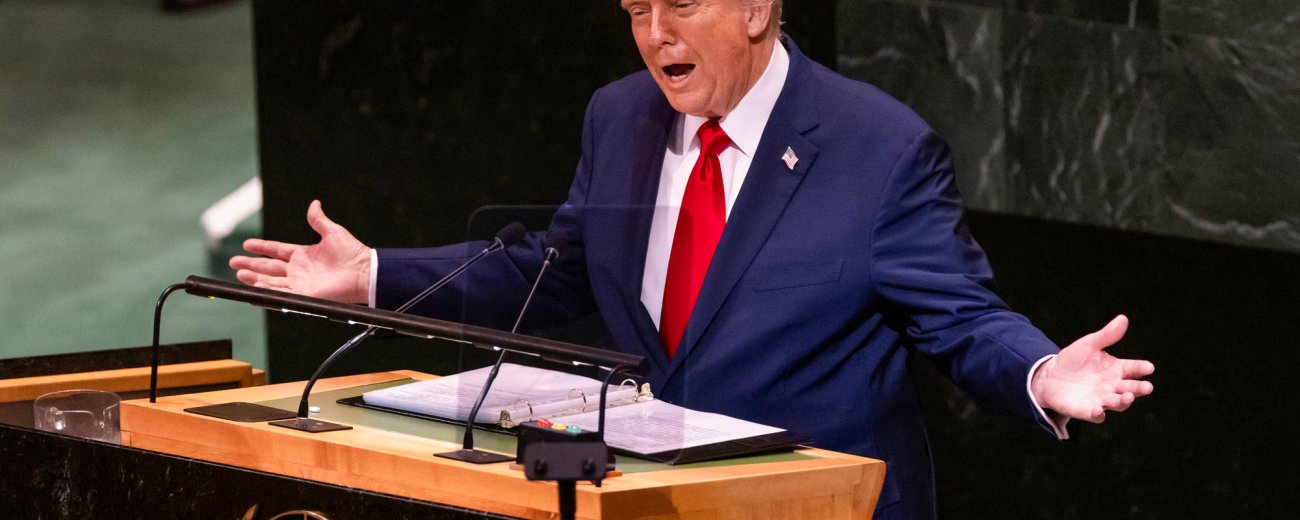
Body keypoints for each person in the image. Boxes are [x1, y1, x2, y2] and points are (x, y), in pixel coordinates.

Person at [232, 1, 1155, 517]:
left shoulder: (878, 147)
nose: (656, 34)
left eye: (681, 4)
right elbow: (558, 268)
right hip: (647, 504)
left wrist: (1040, 372)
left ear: (756, 7)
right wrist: (376, 275)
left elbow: (959, 316)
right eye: (638, 9)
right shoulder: (619, 115)